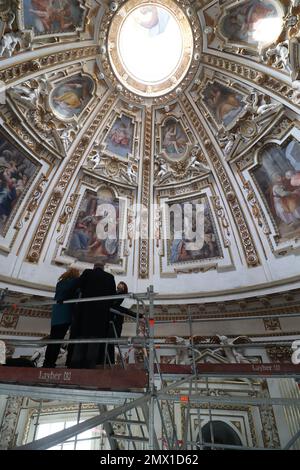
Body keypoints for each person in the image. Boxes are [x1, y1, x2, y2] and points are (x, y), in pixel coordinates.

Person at [70, 263, 116, 369]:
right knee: (94, 342)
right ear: (103, 268)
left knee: (81, 340)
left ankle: (75, 367)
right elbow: (113, 295)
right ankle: (90, 368)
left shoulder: (87, 273)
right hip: (100, 315)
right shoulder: (110, 277)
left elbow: (77, 286)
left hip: (85, 313)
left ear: (94, 267)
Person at [43, 268, 80, 368]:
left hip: (56, 314)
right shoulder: (74, 282)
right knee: (58, 340)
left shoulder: (60, 283)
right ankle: (51, 363)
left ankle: (47, 362)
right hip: (65, 313)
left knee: (53, 339)